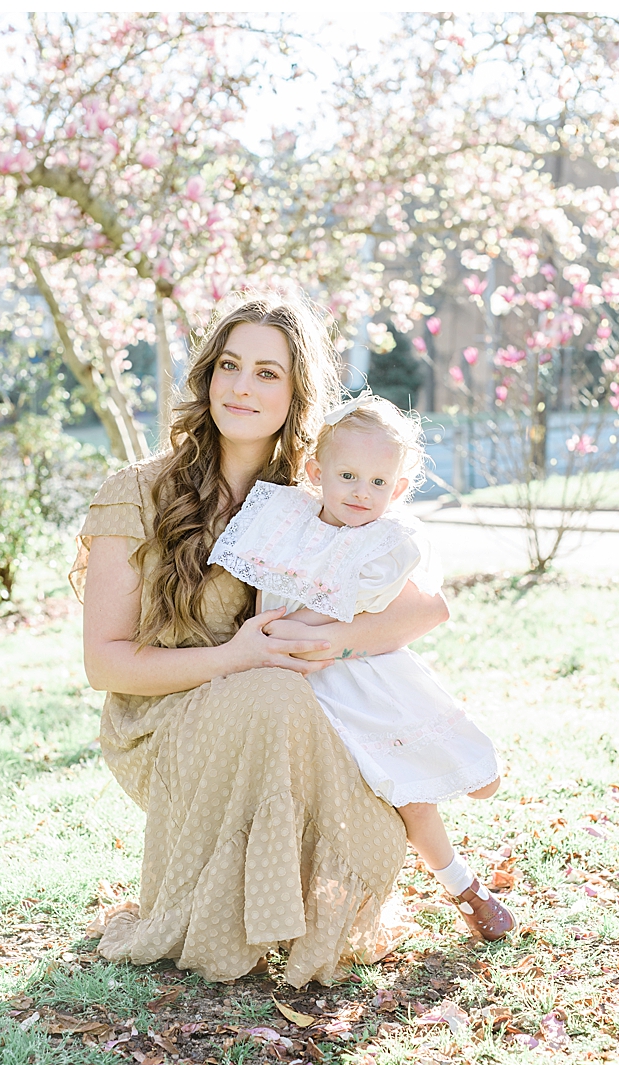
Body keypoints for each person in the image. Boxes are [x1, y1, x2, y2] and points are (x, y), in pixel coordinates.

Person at [74, 290, 450, 987]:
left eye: (267, 372)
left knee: (320, 733)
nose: (242, 386)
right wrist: (238, 657)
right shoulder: (137, 492)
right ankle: (221, 920)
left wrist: (331, 643)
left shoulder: (318, 489)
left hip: (289, 706)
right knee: (273, 694)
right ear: (208, 376)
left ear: (296, 390)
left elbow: (425, 610)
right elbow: (104, 664)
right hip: (163, 720)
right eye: (228, 366)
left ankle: (308, 902)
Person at [207, 391, 514, 940]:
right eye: (347, 476)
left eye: (378, 483)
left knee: (413, 792)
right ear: (315, 471)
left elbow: (343, 612)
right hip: (297, 690)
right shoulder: (283, 520)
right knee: (350, 796)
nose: (360, 493)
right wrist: (284, 631)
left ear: (396, 490)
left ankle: (462, 880)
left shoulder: (387, 543)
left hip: (362, 680)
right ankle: (440, 888)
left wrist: (298, 628)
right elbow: (269, 607)